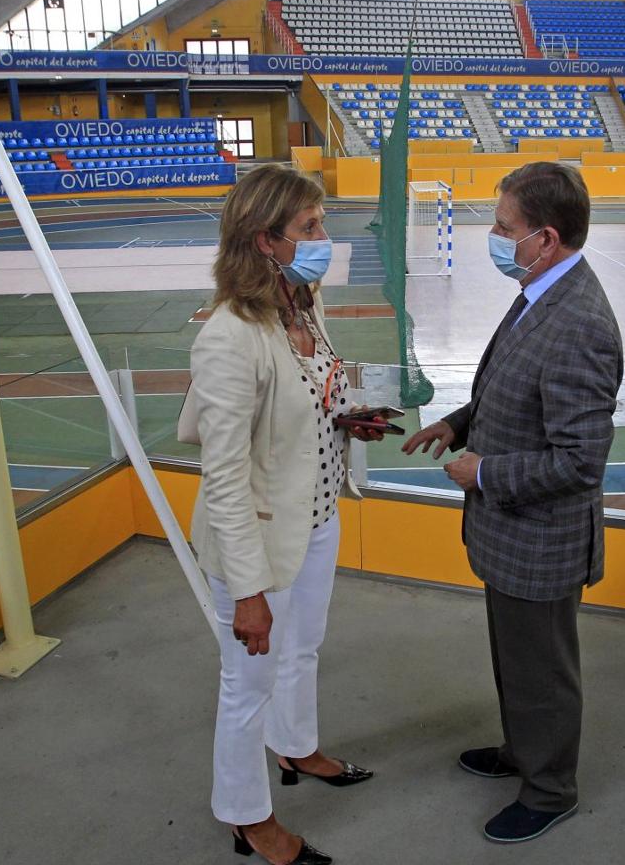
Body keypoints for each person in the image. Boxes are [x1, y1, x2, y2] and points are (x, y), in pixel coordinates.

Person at [402, 161, 623, 844]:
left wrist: (486, 472)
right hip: (511, 535)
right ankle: (524, 749)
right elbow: (510, 385)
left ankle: (550, 787)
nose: (495, 239)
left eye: (504, 229)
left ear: (546, 239)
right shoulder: (541, 290)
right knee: (516, 659)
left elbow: (580, 460)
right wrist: (458, 424)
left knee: (542, 669)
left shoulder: (580, 322)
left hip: (541, 538)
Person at [188, 164, 383, 865]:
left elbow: (323, 376)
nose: (324, 237)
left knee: (304, 648)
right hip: (258, 541)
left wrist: (351, 411)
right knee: (246, 684)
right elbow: (226, 477)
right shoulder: (228, 339)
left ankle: (297, 746)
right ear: (266, 239)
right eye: (311, 227)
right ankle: (246, 815)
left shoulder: (302, 302)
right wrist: (247, 591)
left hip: (317, 516)